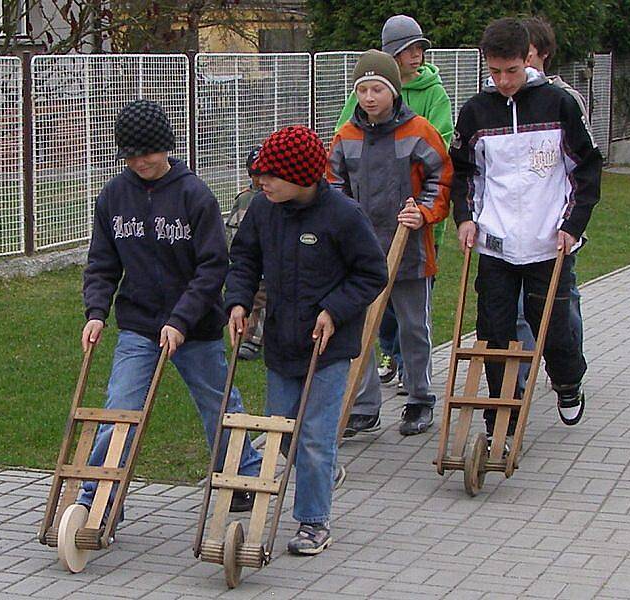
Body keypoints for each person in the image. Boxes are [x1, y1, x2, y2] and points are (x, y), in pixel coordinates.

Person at [79, 99, 261, 520]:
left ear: (166, 147)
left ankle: (242, 474)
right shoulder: (114, 196)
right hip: (139, 325)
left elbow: (214, 265)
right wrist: (96, 311)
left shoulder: (193, 195)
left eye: (149, 152)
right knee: (119, 408)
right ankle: (101, 495)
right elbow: (103, 263)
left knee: (218, 401)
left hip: (195, 327)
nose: (140, 161)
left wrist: (181, 320)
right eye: (131, 154)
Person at [225, 125, 387, 555]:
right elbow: (243, 258)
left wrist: (334, 309)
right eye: (260, 175)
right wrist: (238, 302)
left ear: (302, 176)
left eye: (271, 176)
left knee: (313, 436)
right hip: (281, 341)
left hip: (326, 347)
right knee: (281, 427)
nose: (261, 182)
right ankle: (324, 468)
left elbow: (372, 273)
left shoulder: (344, 216)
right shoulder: (263, 210)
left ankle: (313, 521)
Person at [450, 18, 602, 446]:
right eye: (495, 72)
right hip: (496, 242)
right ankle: (502, 414)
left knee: (552, 327)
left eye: (511, 71)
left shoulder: (558, 105)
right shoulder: (476, 111)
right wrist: (465, 217)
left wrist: (572, 226)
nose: (503, 81)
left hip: (547, 240)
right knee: (494, 333)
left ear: (528, 60)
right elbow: (463, 172)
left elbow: (586, 170)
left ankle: (568, 382)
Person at [327, 49, 452, 437]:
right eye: (362, 89)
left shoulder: (418, 131)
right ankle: (364, 406)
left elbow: (442, 177)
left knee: (414, 327)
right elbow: (332, 185)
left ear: (393, 92)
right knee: (359, 329)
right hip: (361, 255)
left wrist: (424, 212)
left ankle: (419, 398)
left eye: (377, 89)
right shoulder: (346, 136)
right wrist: (345, 221)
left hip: (410, 250)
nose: (368, 97)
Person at [513, 16, 589, 400]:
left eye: (526, 56)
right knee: (518, 310)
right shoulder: (502, 100)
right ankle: (518, 377)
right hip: (515, 229)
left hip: (557, 224)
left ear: (542, 54)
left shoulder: (564, 99)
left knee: (562, 301)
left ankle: (568, 367)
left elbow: (580, 163)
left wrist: (572, 221)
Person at [225, 145, 266, 361]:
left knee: (262, 300)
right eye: (255, 175)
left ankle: (253, 339)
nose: (259, 180)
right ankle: (249, 336)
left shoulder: (275, 199)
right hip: (248, 259)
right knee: (252, 299)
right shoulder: (244, 199)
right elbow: (232, 227)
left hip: (267, 261)